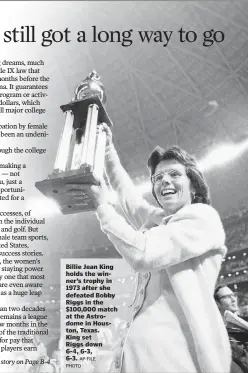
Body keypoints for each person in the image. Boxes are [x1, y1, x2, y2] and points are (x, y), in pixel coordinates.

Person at [70, 124, 231, 373]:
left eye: (175, 174)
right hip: (141, 359)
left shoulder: (201, 217)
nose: (164, 180)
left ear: (195, 185)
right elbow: (128, 198)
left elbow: (143, 254)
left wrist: (103, 208)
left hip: (176, 361)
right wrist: (108, 150)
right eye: (157, 178)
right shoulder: (161, 222)